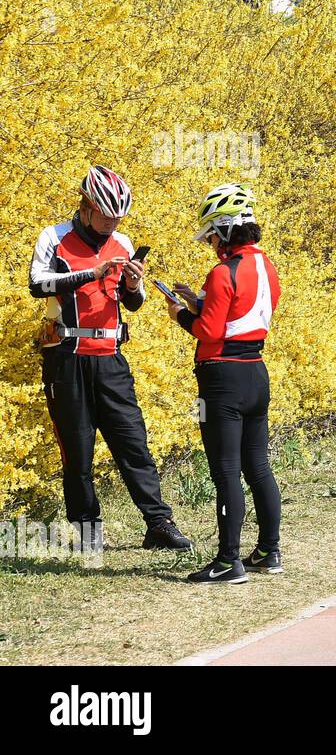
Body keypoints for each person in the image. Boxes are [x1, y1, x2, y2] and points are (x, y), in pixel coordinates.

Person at [29, 166, 192, 553]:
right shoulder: (54, 237)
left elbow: (131, 303)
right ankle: (87, 531)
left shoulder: (122, 240)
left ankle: (159, 523)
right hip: (66, 356)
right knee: (78, 447)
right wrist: (91, 272)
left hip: (111, 356)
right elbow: (37, 284)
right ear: (85, 207)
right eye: (105, 216)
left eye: (117, 218)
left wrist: (133, 285)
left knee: (133, 441)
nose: (111, 224)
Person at [167, 184, 283, 584]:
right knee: (259, 468)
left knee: (226, 471)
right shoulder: (266, 266)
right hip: (255, 372)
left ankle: (227, 561)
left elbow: (210, 331)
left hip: (222, 379)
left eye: (212, 235)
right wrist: (199, 299)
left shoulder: (221, 272)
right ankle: (269, 550)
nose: (210, 243)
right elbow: (244, 315)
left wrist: (182, 314)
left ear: (226, 229)